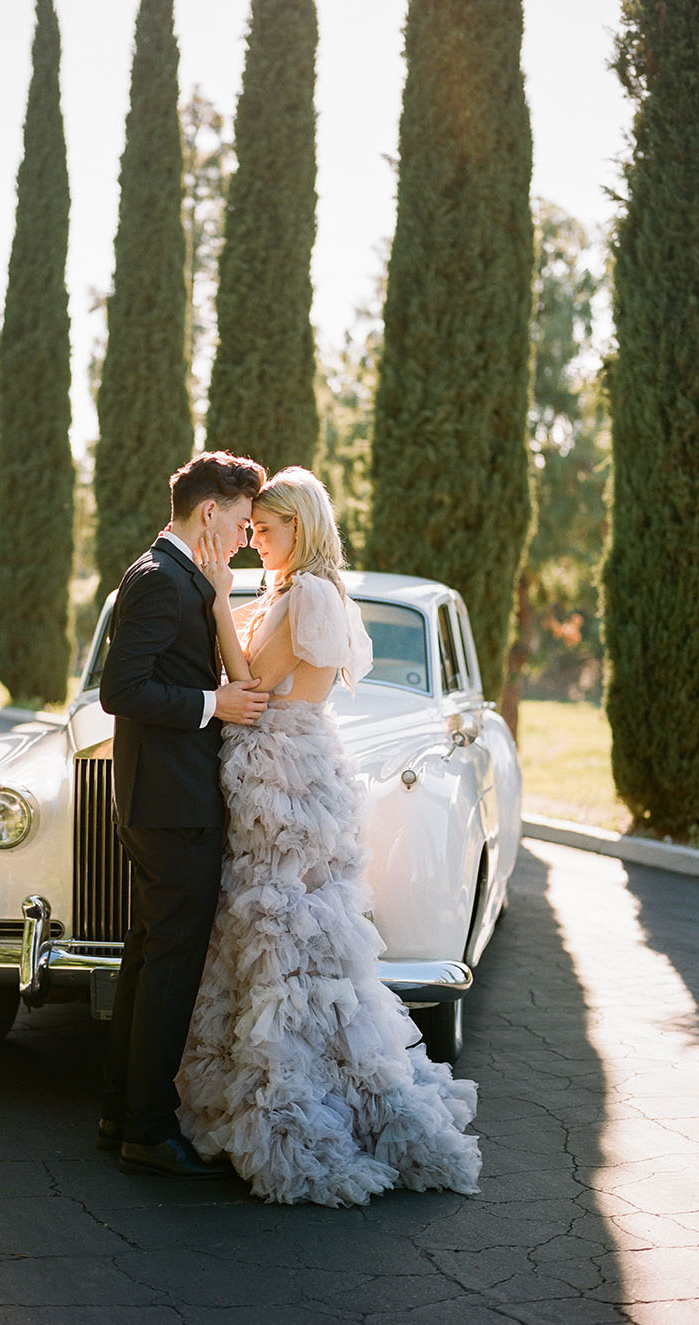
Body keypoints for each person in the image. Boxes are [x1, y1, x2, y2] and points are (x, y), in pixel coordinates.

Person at [177, 466, 482, 1206]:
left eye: (267, 530)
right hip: (268, 761)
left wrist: (218, 602)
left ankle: (296, 1108)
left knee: (287, 926)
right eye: (252, 530)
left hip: (284, 766)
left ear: (302, 529)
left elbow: (255, 682)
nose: (254, 542)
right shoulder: (285, 590)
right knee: (267, 926)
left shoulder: (310, 592)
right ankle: (267, 1079)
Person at [98, 450, 267, 1179]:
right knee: (169, 966)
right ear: (208, 512)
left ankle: (120, 1111)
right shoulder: (161, 580)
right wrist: (214, 704)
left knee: (147, 956)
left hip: (165, 801)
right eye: (239, 521)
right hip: (172, 806)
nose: (245, 536)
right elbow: (120, 690)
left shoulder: (180, 578)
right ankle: (145, 1127)